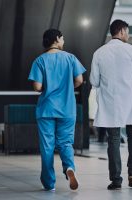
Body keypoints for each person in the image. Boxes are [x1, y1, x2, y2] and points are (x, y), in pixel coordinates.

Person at [90, 19, 132, 190]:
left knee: (113, 140)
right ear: (122, 31)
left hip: (111, 103)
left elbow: (94, 80)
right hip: (131, 102)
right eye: (128, 32)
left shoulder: (99, 53)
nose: (128, 35)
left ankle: (116, 180)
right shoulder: (131, 50)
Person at [28, 29, 86, 191]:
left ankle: (49, 183)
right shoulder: (70, 58)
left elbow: (37, 86)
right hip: (67, 108)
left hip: (46, 109)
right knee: (66, 142)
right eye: (62, 38)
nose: (64, 41)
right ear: (57, 39)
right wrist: (67, 87)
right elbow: (79, 80)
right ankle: (69, 168)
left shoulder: (39, 61)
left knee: (47, 146)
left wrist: (48, 88)